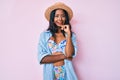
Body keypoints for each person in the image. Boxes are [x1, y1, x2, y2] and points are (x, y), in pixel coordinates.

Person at [38, 2, 78, 80]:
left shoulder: (71, 35)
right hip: (50, 75)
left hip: (68, 75)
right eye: (56, 16)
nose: (60, 19)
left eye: (63, 16)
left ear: (66, 18)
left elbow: (70, 54)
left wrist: (68, 35)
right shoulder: (44, 36)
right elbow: (42, 59)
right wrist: (64, 56)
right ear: (52, 18)